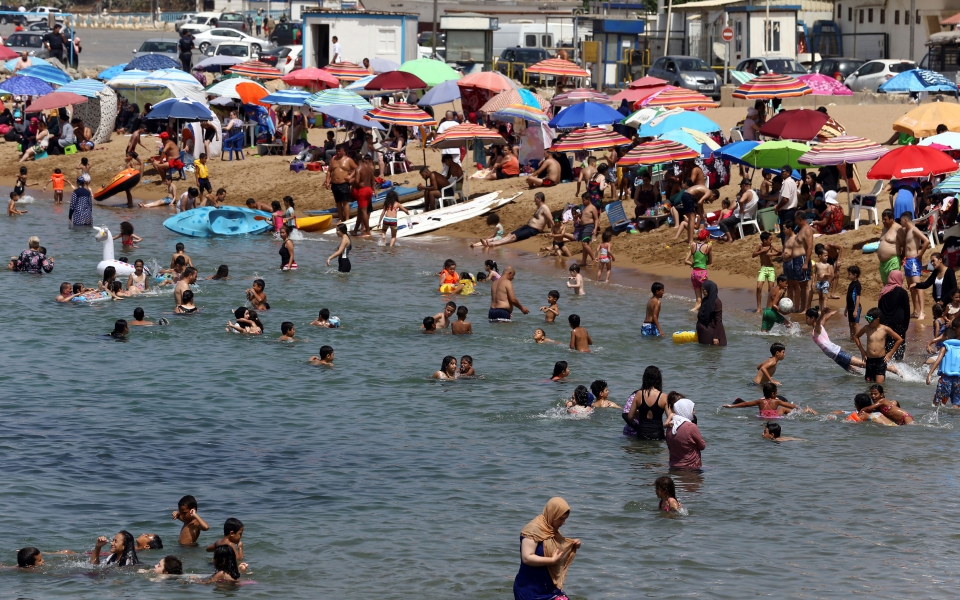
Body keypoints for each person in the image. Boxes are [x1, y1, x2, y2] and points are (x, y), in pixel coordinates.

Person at [512, 497, 580, 600]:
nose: (563, 522)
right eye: (561, 519)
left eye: (565, 519)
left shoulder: (551, 530)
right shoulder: (532, 530)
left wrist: (573, 545)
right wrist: (552, 560)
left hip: (549, 587)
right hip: (529, 589)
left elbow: (557, 550)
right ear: (553, 514)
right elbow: (527, 558)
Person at [484, 194, 552, 248]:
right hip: (527, 227)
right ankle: (492, 243)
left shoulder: (545, 208)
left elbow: (551, 219)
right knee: (510, 235)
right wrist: (548, 225)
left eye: (535, 199)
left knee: (513, 237)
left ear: (539, 199)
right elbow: (548, 221)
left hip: (533, 230)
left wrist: (553, 231)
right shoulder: (539, 208)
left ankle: (494, 244)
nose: (534, 201)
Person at [854, 307, 902, 383]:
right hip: (869, 360)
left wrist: (890, 353)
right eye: (867, 319)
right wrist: (862, 351)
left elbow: (899, 339)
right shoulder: (866, 328)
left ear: (877, 319)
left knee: (879, 384)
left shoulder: (885, 329)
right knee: (868, 384)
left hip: (881, 361)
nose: (869, 322)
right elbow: (856, 337)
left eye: (870, 320)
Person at [898, 211, 931, 320]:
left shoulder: (914, 230)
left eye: (901, 220)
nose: (900, 222)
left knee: (918, 287)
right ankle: (916, 311)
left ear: (905, 220)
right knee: (911, 288)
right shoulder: (907, 231)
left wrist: (920, 254)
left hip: (914, 261)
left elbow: (926, 241)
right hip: (907, 261)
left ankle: (922, 311)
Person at [624, 365, 668, 439]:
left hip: (642, 435)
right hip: (658, 435)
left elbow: (630, 417)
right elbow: (670, 417)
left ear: (644, 379)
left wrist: (640, 412)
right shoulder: (663, 396)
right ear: (658, 380)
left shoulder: (639, 394)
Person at [878, 270, 910, 362]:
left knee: (887, 346)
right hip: (898, 324)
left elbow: (879, 309)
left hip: (884, 324)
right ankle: (899, 366)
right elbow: (906, 310)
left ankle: (886, 366)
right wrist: (905, 326)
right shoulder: (902, 292)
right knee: (899, 346)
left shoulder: (883, 291)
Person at [665, 398, 704, 470]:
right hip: (691, 467)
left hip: (673, 467)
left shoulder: (670, 427)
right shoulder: (691, 427)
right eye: (692, 409)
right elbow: (702, 446)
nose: (694, 412)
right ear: (685, 410)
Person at [722, 383, 800, 418]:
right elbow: (791, 406)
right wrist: (797, 407)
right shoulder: (777, 401)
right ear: (773, 393)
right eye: (776, 392)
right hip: (774, 418)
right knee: (783, 408)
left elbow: (745, 404)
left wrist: (731, 406)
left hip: (761, 417)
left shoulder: (759, 401)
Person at [324, 145, 357, 224]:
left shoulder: (348, 160)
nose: (338, 153)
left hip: (344, 184)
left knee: (345, 202)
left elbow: (356, 168)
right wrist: (327, 181)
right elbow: (329, 171)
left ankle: (347, 219)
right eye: (337, 151)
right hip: (335, 184)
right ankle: (341, 219)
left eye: (339, 151)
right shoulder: (332, 160)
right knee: (338, 202)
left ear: (343, 151)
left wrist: (350, 176)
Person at [685, 229, 711, 310]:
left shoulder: (693, 246)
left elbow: (686, 261)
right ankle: (694, 310)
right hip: (702, 273)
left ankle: (696, 315)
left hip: (694, 274)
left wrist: (694, 264)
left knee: (698, 299)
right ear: (706, 237)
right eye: (709, 237)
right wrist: (702, 264)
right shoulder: (708, 247)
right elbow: (710, 261)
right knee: (709, 296)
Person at [696, 280, 726, 346]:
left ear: (710, 289)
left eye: (704, 289)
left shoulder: (717, 302)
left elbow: (718, 320)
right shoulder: (705, 300)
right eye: (702, 289)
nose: (702, 291)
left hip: (712, 336)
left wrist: (716, 337)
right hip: (703, 335)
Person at [352, 154, 376, 235]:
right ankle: (355, 231)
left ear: (355, 159)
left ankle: (368, 231)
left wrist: (352, 188)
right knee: (360, 212)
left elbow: (357, 181)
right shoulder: (369, 168)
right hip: (369, 190)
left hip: (362, 191)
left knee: (363, 211)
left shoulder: (358, 168)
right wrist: (373, 189)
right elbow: (373, 180)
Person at [774, 165, 799, 243]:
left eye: (783, 171)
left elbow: (785, 199)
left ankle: (787, 252)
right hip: (791, 211)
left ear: (788, 173)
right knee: (790, 234)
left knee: (786, 235)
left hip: (787, 212)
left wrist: (778, 207)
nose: (781, 173)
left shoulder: (787, 182)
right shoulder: (792, 182)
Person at [877, 209, 902, 285]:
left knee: (894, 284)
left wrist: (902, 257)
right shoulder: (884, 228)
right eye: (882, 219)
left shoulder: (898, 228)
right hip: (882, 263)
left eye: (885, 219)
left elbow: (904, 244)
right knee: (886, 285)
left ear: (891, 219)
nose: (883, 221)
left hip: (893, 261)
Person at [812, 245, 834, 313]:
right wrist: (813, 281)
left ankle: (824, 309)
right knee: (820, 296)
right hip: (819, 282)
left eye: (827, 255)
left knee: (824, 296)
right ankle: (820, 309)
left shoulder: (828, 265)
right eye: (825, 255)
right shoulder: (817, 264)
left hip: (825, 282)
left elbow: (830, 274)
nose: (827, 257)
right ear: (820, 256)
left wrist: (825, 274)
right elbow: (814, 273)